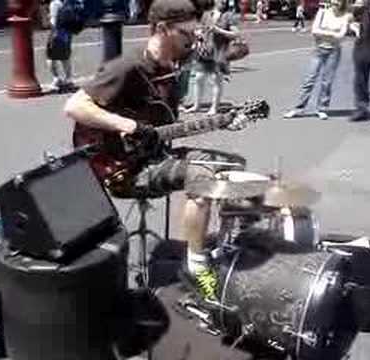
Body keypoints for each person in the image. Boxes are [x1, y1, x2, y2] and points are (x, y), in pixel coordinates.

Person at [64, 0, 235, 302]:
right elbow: (75, 106)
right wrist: (126, 125)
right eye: (187, 33)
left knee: (231, 166)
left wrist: (223, 120)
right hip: (122, 169)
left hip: (151, 156)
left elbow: (162, 128)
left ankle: (222, 247)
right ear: (162, 29)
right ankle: (196, 265)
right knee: (204, 173)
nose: (193, 39)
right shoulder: (127, 66)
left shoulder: (171, 67)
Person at [284, 0, 352, 120]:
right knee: (309, 79)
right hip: (318, 50)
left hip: (334, 52)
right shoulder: (323, 12)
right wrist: (332, 34)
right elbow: (314, 30)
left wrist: (324, 33)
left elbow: (341, 35)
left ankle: (321, 108)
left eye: (338, 2)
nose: (335, 4)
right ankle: (298, 108)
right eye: (333, 1)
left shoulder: (345, 16)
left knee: (327, 82)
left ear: (343, 3)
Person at [184, 0, 240, 115]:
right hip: (205, 50)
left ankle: (214, 107)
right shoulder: (207, 14)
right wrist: (198, 33)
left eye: (225, 1)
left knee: (216, 80)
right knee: (199, 78)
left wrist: (218, 30)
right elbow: (200, 28)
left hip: (219, 51)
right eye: (221, 0)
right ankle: (197, 105)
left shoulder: (229, 16)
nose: (223, 2)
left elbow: (235, 34)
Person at [46, 0, 76, 92]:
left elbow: (53, 21)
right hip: (67, 33)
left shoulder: (54, 3)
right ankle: (69, 79)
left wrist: (50, 26)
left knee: (50, 57)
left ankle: (56, 78)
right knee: (65, 57)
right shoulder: (68, 2)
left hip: (57, 33)